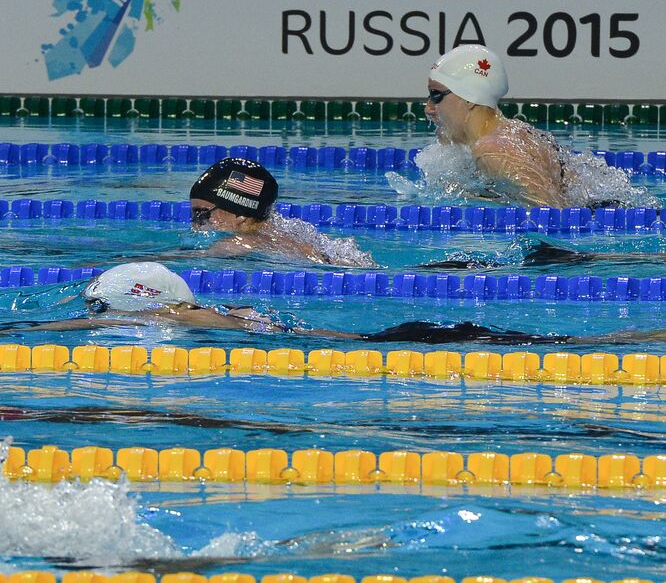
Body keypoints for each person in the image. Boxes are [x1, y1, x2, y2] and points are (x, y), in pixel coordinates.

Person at [6, 261, 664, 348]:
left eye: (103, 314)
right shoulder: (195, 314)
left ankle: (634, 340)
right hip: (381, 340)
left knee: (566, 349)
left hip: (394, 343)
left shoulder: (186, 317)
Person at [425, 44, 620, 209]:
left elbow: (551, 213)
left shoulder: (493, 150)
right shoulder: (511, 131)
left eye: (436, 95)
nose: (429, 108)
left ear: (469, 97)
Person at [189, 156, 376, 267]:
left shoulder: (235, 244)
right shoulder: (285, 233)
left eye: (202, 214)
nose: (195, 225)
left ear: (240, 214)